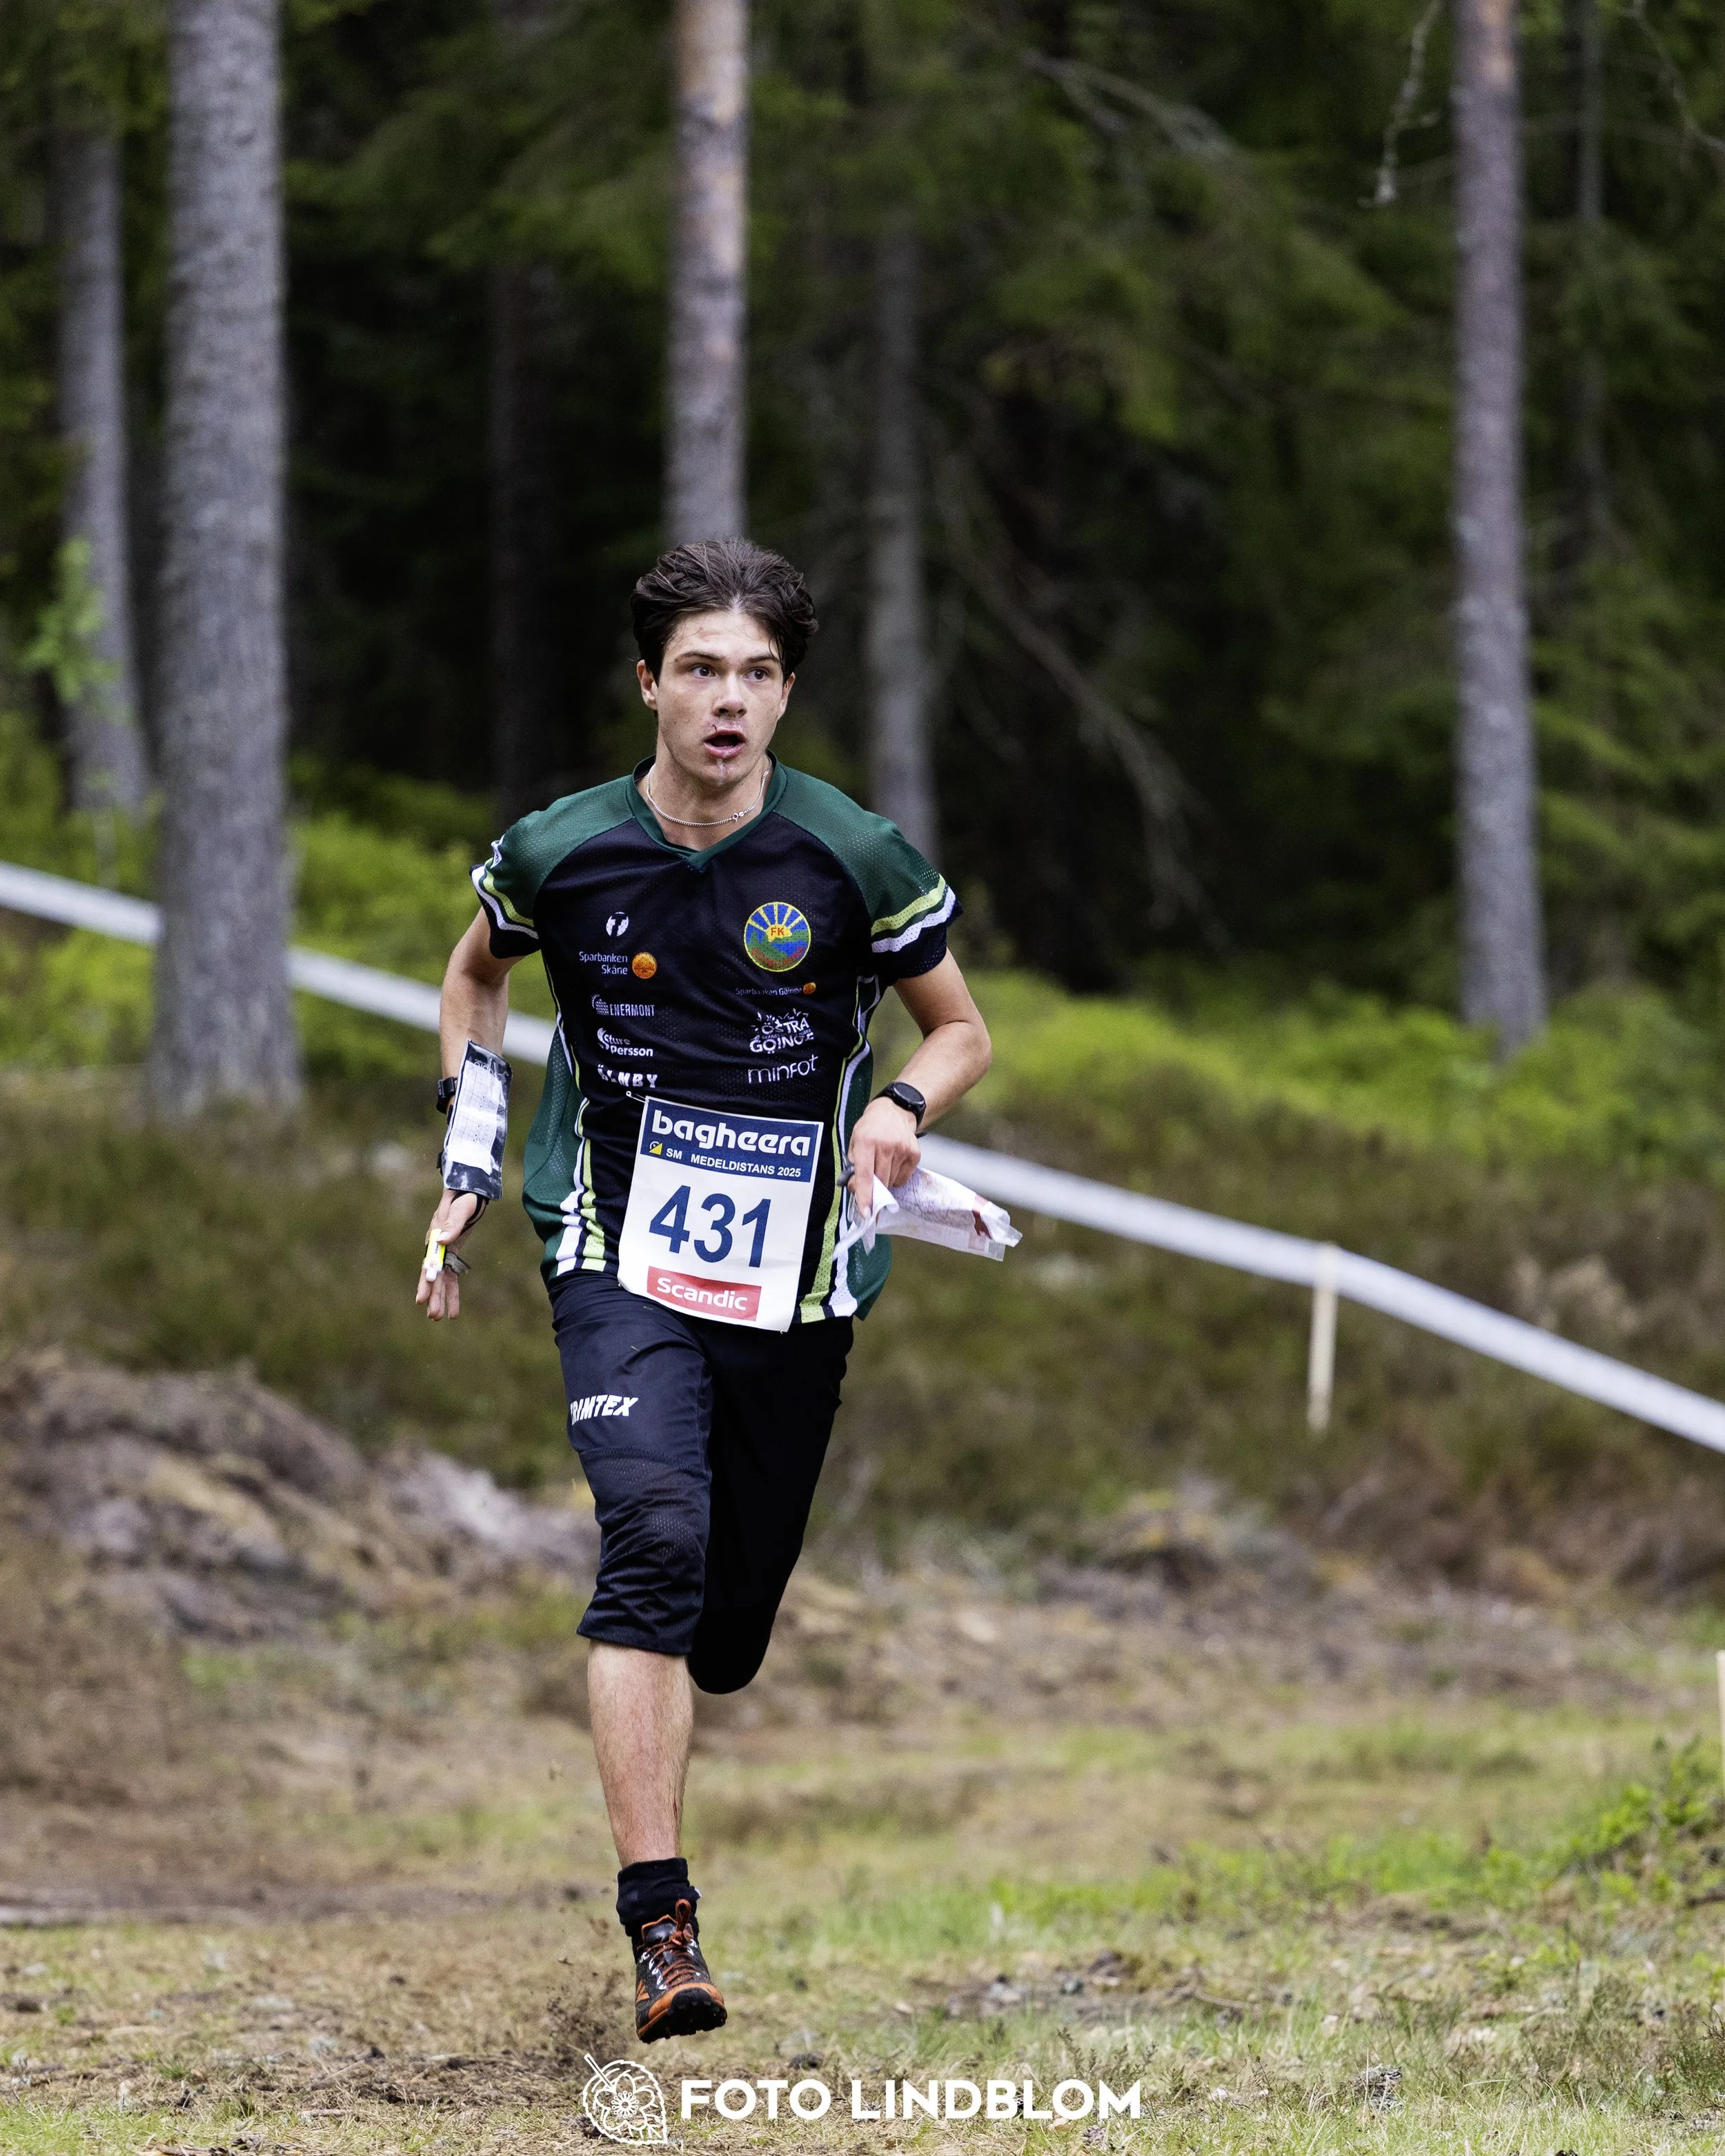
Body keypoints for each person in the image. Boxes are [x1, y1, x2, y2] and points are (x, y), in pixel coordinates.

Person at [415, 537, 992, 2041]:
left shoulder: (853, 855)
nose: (727, 700)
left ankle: (701, 1649)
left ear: (786, 692)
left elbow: (960, 1031)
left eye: (755, 674)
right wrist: (472, 1152)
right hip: (613, 1243)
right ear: (648, 684)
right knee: (652, 1547)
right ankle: (660, 1926)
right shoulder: (559, 850)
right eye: (699, 671)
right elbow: (473, 979)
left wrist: (900, 1108)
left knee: (722, 1628)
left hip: (799, 1275)